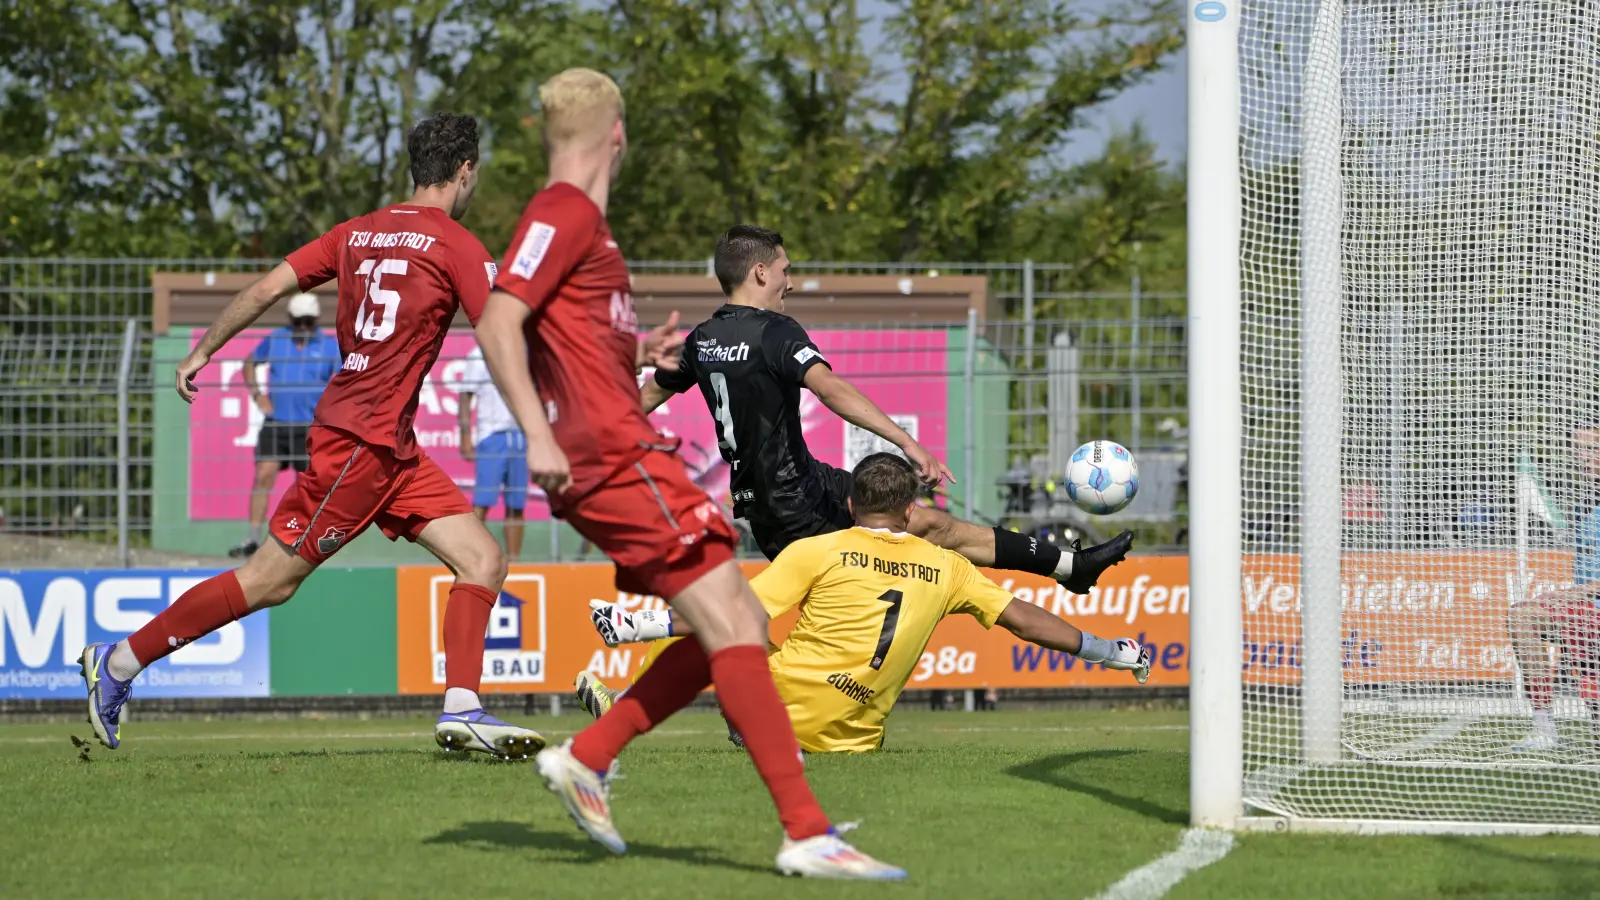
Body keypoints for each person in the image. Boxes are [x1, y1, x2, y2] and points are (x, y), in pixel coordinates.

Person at [471, 67, 905, 880]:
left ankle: (593, 757)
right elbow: (499, 321)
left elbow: (555, 341)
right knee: (738, 625)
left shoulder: (581, 225)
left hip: (619, 449)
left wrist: (634, 355)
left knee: (734, 622)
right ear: (619, 134)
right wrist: (538, 435)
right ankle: (804, 831)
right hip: (609, 457)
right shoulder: (565, 211)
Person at [78, 113, 544, 761]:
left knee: (483, 559)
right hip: (360, 442)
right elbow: (501, 332)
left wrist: (201, 352)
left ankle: (463, 708)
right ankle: (120, 660)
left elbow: (269, 286)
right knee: (270, 580)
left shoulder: (356, 234)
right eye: (475, 176)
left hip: (391, 445)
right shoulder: (458, 246)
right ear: (465, 171)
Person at [621, 224, 1133, 679]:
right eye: (785, 270)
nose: (790, 282)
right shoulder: (774, 331)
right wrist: (906, 441)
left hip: (781, 494)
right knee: (757, 615)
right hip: (797, 500)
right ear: (759, 272)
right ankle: (720, 694)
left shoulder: (702, 339)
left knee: (931, 526)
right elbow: (831, 389)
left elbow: (638, 401)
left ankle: (1069, 566)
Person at [583, 453, 1152, 752]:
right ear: (912, 512)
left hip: (775, 711)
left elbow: (733, 616)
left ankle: (628, 703)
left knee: (734, 626)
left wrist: (640, 623)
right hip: (854, 738)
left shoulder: (817, 550)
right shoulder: (949, 567)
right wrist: (1109, 650)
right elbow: (1026, 622)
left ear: (851, 505)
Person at [1509, 422, 1600, 752]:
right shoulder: (1586, 500)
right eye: (1579, 449)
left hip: (1588, 606)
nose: (1583, 456)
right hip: (1586, 614)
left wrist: (1579, 592)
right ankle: (1545, 728)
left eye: (1592, 448)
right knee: (1523, 617)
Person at [232, 293, 342, 558]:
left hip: (310, 427)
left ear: (316, 320)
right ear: (290, 319)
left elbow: (341, 383)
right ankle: (252, 538)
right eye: (298, 321)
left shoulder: (329, 346)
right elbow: (249, 363)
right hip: (277, 423)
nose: (303, 327)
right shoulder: (277, 338)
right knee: (263, 475)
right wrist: (258, 396)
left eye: (308, 321)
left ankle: (305, 537)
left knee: (306, 484)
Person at [458, 345, 527, 560]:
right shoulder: (478, 353)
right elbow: (465, 397)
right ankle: (471, 559)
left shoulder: (526, 348)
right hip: (492, 435)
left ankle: (515, 560)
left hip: (521, 435)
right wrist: (466, 436)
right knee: (482, 503)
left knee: (517, 505)